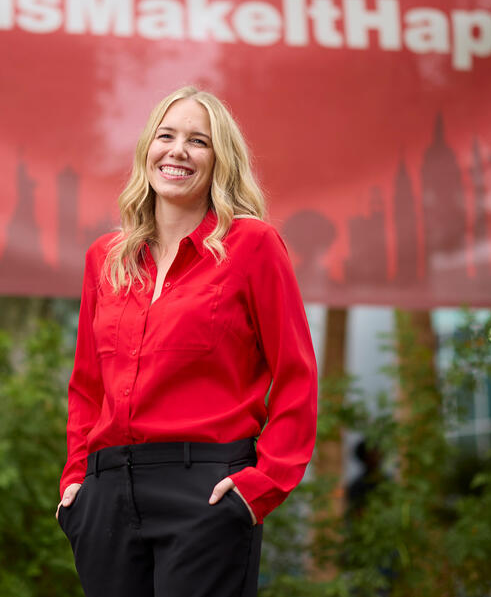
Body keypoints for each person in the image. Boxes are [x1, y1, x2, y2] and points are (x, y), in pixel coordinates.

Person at [55, 85, 318, 597]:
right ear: (146, 150)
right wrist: (76, 485)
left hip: (206, 494)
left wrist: (257, 488)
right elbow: (87, 386)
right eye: (166, 135)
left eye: (198, 141)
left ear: (221, 160)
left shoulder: (253, 247)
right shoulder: (105, 258)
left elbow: (296, 377)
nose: (177, 150)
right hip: (106, 497)